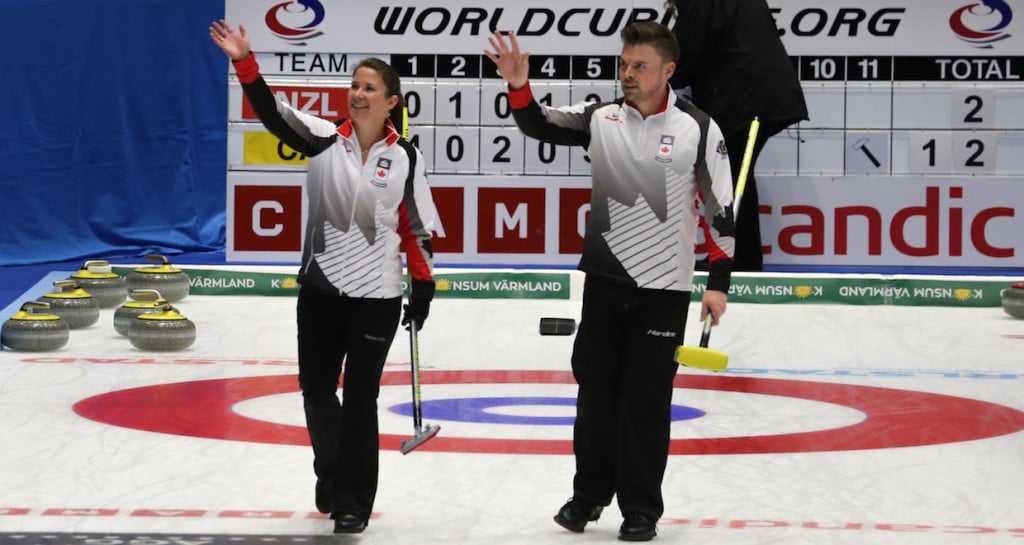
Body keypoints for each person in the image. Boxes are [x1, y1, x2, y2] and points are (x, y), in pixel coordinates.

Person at [485, 21, 734, 542]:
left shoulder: (699, 129)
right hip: (604, 280)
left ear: (668, 70)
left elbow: (721, 210)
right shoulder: (601, 117)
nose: (627, 74)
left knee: (644, 401)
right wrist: (517, 85)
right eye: (623, 64)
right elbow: (539, 124)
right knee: (595, 397)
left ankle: (641, 509)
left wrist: (719, 282)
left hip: (664, 290)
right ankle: (588, 496)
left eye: (639, 66)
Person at [209, 20, 437, 534]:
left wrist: (422, 288)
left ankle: (354, 501)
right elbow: (272, 113)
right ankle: (331, 472)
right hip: (319, 291)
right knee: (316, 388)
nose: (357, 94)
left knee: (361, 395)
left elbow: (416, 227)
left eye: (369, 88)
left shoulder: (406, 158)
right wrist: (245, 62)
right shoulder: (321, 138)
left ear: (392, 102)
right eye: (354, 86)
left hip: (376, 296)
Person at [667, 0, 808, 271]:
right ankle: (741, 259)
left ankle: (738, 261)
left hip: (748, 97)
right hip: (755, 93)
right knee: (732, 173)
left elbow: (689, 48)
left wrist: (657, 78)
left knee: (729, 175)